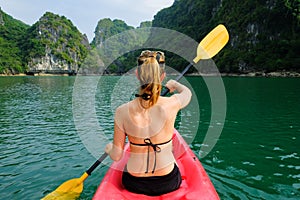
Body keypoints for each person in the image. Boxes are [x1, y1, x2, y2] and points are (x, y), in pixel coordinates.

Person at [105, 50, 192, 196]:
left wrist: (109, 149)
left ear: (137, 75)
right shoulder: (172, 103)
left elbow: (116, 156)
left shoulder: (121, 111)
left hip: (133, 183)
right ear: (162, 76)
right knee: (174, 161)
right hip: (168, 182)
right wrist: (175, 85)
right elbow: (187, 93)